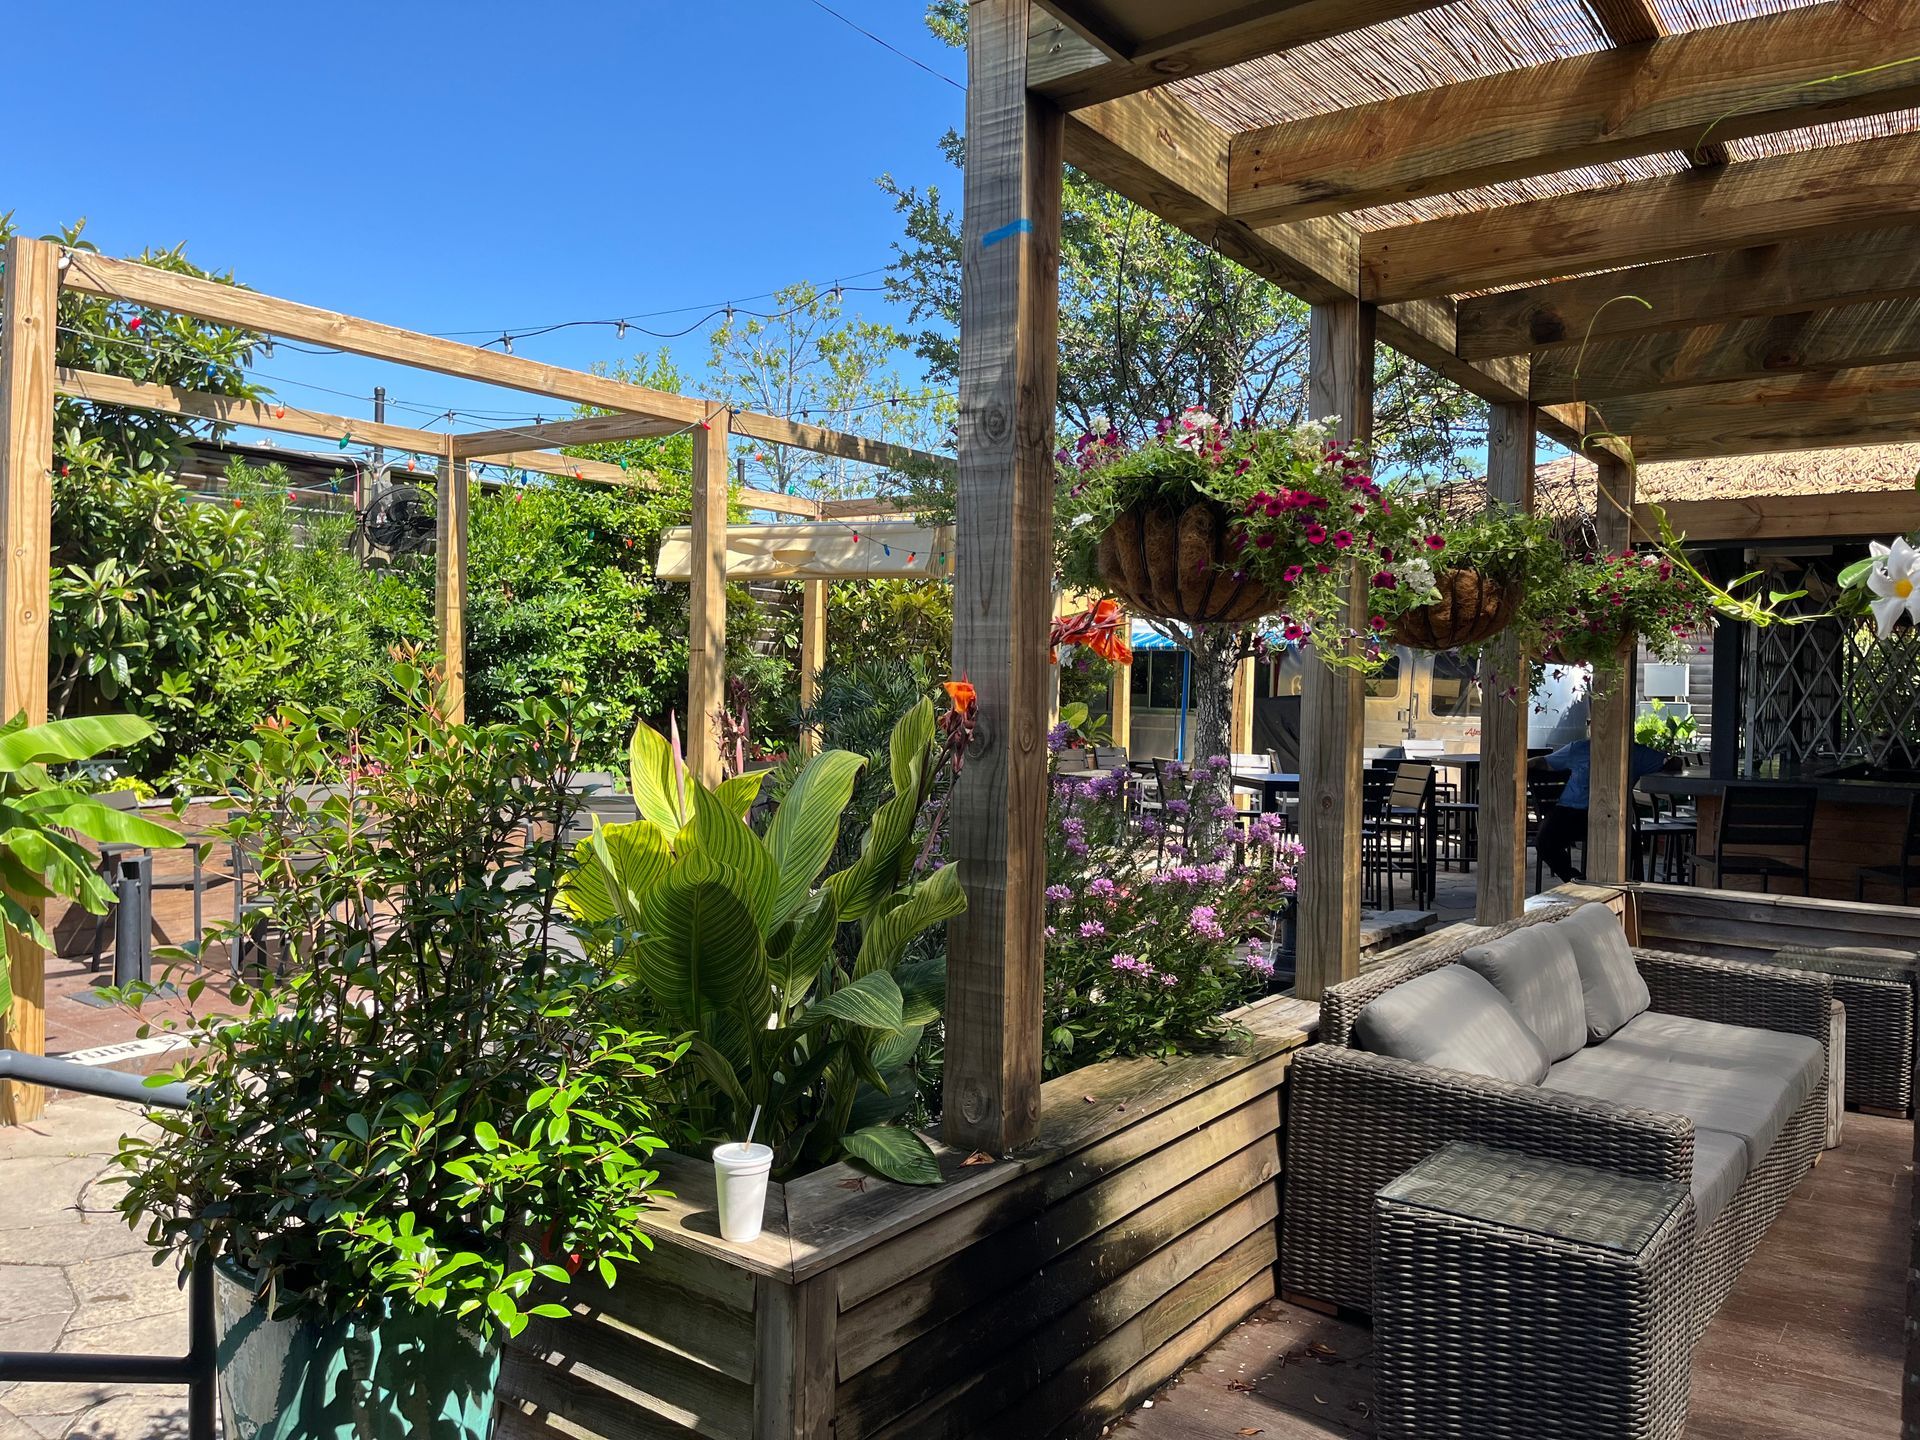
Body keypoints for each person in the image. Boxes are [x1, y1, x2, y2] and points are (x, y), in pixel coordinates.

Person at [1529, 730, 1669, 884]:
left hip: (1611, 813)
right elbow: (1546, 762)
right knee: (1544, 842)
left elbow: (1669, 762)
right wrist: (1527, 764)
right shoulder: (1579, 748)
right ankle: (1577, 881)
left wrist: (1672, 763)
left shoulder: (1635, 752)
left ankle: (1631, 891)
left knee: (1631, 842)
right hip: (1570, 810)